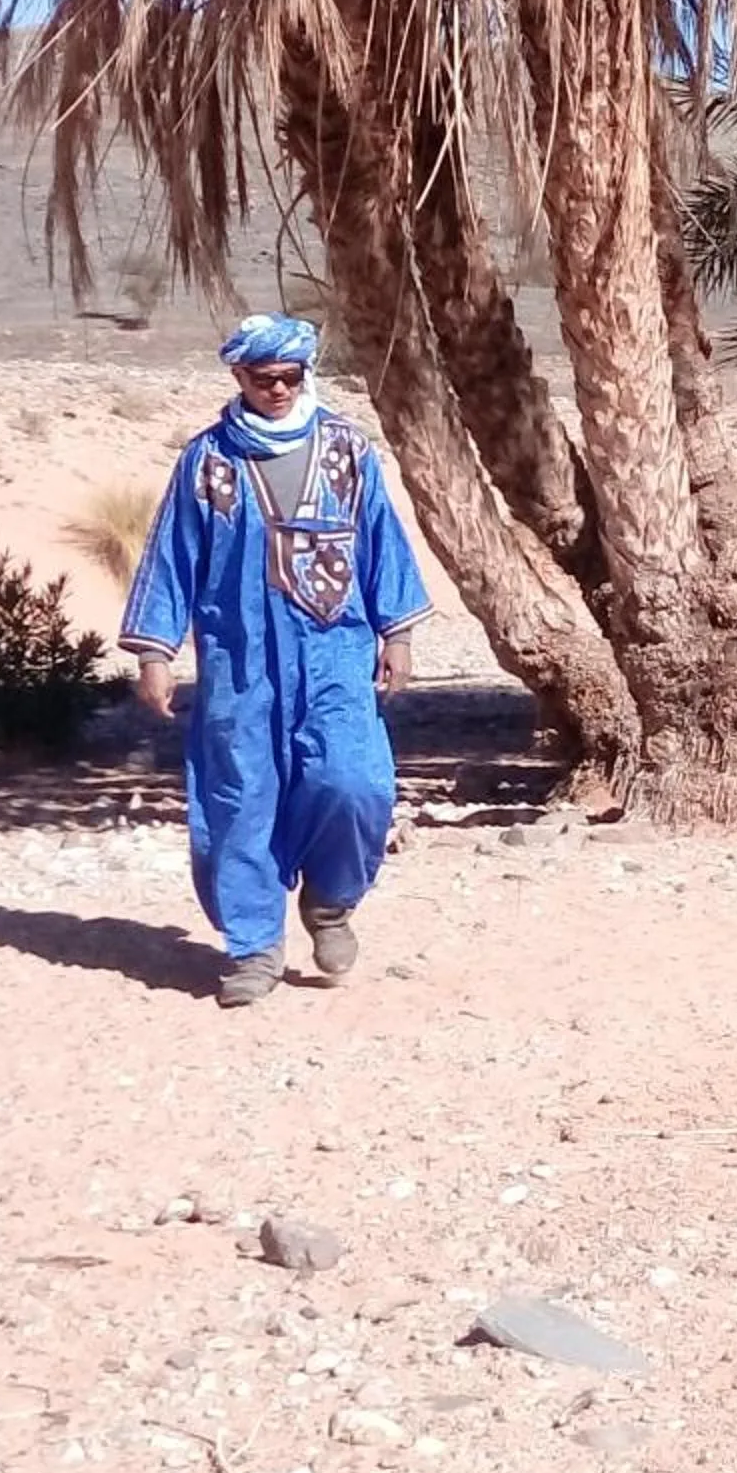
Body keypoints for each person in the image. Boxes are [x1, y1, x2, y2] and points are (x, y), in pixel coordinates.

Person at [121, 315, 431, 1007]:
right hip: (241, 664)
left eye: (292, 377)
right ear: (239, 377)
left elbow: (382, 544)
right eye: (266, 380)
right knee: (239, 802)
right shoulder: (207, 461)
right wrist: (154, 652)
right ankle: (253, 947)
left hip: (336, 657)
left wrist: (398, 636)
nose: (281, 390)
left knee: (355, 782)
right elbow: (172, 558)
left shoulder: (349, 451)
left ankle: (331, 899)